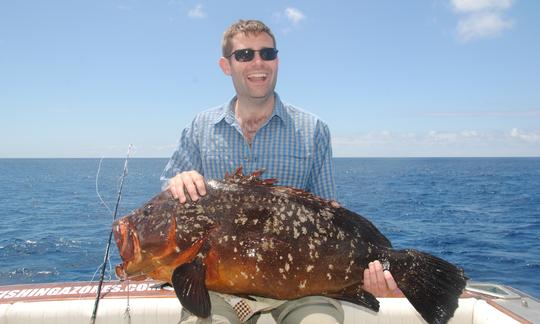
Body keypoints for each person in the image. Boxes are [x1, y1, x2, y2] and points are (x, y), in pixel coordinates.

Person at [161, 19, 400, 324]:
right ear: (226, 65)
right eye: (245, 55)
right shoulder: (199, 127)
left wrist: (365, 271)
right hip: (215, 286)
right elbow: (167, 199)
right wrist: (177, 181)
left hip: (302, 287)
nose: (258, 62)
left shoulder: (313, 129)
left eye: (267, 53)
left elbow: (328, 214)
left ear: (277, 61)